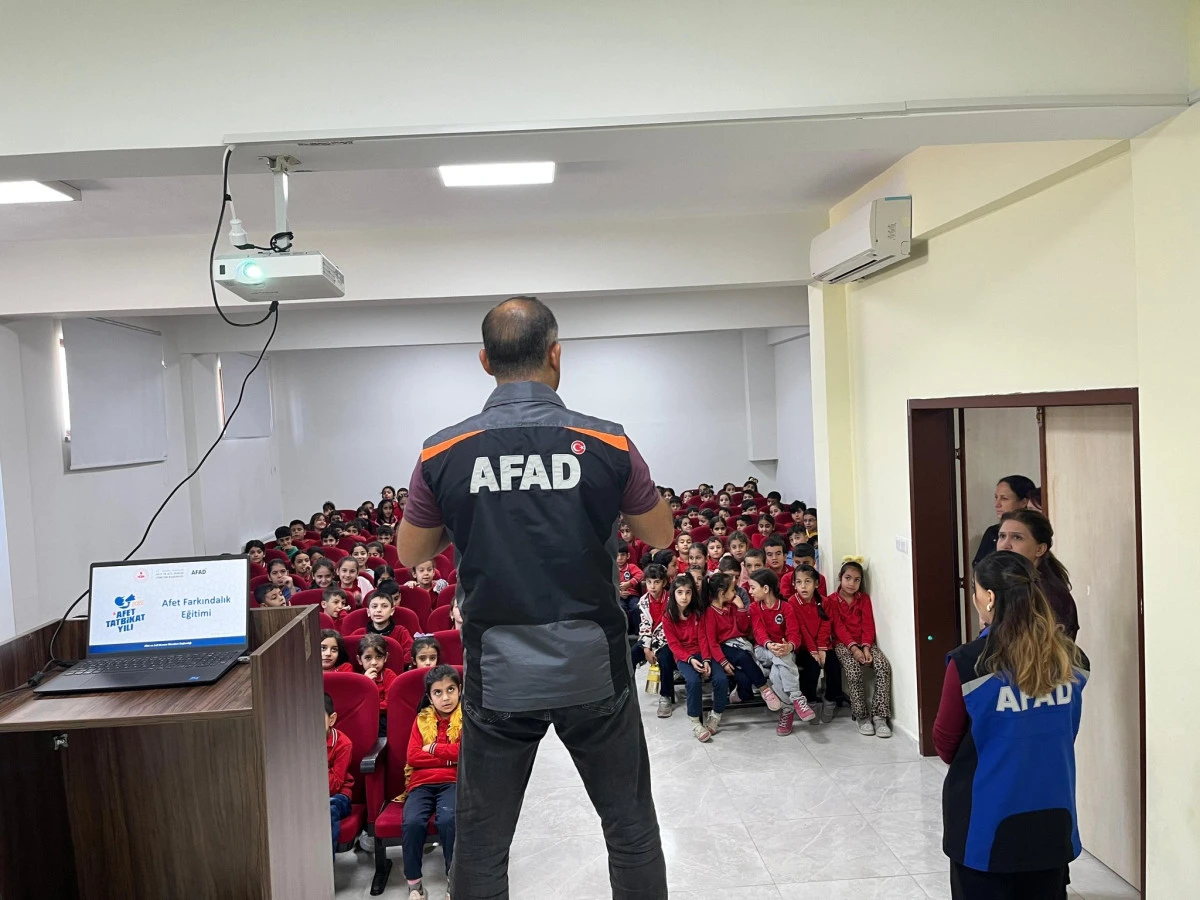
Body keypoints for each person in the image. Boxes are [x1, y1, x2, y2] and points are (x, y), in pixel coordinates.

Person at [396, 296, 671, 899]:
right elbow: (661, 534)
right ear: (555, 355)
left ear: (484, 362)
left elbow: (410, 551)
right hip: (593, 666)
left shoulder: (442, 452)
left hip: (500, 672)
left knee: (483, 841)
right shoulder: (609, 442)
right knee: (630, 829)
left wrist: (467, 513)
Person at [935, 551, 1088, 899]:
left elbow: (945, 746)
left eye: (975, 590)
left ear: (988, 597)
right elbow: (1067, 731)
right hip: (1052, 818)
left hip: (985, 824)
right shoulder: (1073, 661)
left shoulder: (968, 664)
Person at [401, 665, 462, 900]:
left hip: (453, 781)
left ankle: (453, 879)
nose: (445, 697)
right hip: (420, 783)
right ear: (429, 697)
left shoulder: (467, 717)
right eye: (438, 692)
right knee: (413, 822)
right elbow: (413, 756)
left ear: (460, 690)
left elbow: (465, 752)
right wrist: (449, 757)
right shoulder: (421, 720)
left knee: (448, 819)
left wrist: (434, 749)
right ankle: (414, 884)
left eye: (450, 690)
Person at [829, 559, 893, 737]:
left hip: (865, 642)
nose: (852, 583)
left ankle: (880, 716)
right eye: (848, 578)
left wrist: (865, 648)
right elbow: (838, 628)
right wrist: (854, 650)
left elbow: (868, 624)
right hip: (843, 644)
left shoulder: (863, 599)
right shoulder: (831, 601)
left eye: (857, 580)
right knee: (853, 669)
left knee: (883, 666)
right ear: (840, 578)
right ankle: (861, 716)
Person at [748, 568, 816, 735]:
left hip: (783, 652)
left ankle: (787, 711)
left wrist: (790, 646)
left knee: (776, 675)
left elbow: (794, 634)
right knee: (781, 655)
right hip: (763, 650)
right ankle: (797, 697)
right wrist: (770, 644)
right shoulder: (755, 608)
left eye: (752, 587)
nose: (750, 591)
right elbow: (758, 632)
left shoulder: (786, 608)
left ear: (765, 589)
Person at [662, 575, 728, 742]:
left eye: (688, 592)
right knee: (693, 681)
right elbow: (674, 645)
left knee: (720, 678)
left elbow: (703, 638)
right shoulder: (668, 617)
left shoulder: (698, 613)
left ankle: (716, 715)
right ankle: (695, 722)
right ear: (673, 594)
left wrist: (706, 660)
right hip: (684, 657)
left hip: (703, 652)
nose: (684, 597)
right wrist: (690, 659)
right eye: (680, 592)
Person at [996, 509, 1079, 640]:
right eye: (1002, 536)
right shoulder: (1015, 583)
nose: (1005, 545)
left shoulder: (1048, 594)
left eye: (1017, 537)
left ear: (1040, 549)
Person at [703, 570, 782, 710]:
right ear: (722, 593)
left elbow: (744, 629)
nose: (736, 593)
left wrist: (740, 609)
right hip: (722, 648)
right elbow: (712, 643)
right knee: (743, 656)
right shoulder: (710, 613)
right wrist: (723, 661)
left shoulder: (733, 607)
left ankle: (739, 694)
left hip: (739, 643)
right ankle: (765, 689)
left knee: (745, 680)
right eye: (733, 590)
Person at [791, 564, 842, 723]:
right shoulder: (792, 602)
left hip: (823, 646)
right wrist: (813, 651)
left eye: (807, 582)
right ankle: (810, 702)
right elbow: (801, 629)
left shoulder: (825, 602)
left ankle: (829, 701)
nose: (803, 586)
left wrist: (822, 648)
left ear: (816, 584)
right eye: (799, 582)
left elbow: (826, 625)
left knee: (833, 666)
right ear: (794, 584)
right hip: (804, 648)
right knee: (811, 669)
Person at [636, 563, 676, 716]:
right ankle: (626, 694)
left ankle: (665, 696)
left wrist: (655, 647)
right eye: (649, 582)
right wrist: (647, 648)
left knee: (665, 658)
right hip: (649, 639)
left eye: (657, 582)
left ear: (664, 583)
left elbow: (670, 627)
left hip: (667, 640)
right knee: (630, 655)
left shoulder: (671, 599)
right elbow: (644, 626)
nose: (652, 586)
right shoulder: (643, 601)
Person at [973, 475, 1037, 567]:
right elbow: (978, 565)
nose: (997, 504)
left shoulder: (1036, 531)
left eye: (1004, 498)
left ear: (1023, 502)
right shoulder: (992, 532)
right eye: (996, 497)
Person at [325, 693, 354, 855]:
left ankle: (326, 868)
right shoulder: (298, 741)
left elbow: (334, 785)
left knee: (327, 808)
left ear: (331, 719)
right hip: (307, 798)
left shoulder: (343, 744)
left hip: (339, 797)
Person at [358, 633, 397, 736]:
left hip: (383, 719)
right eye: (368, 658)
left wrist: (373, 707)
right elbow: (357, 705)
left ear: (386, 657)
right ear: (359, 660)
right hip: (364, 718)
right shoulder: (358, 679)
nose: (374, 662)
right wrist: (366, 683)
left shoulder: (388, 675)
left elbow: (390, 703)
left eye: (379, 657)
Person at [364, 592, 415, 659]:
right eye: (374, 606)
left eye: (384, 606)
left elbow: (410, 652)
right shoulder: (360, 633)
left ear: (392, 611)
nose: (379, 610)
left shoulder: (401, 632)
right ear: (368, 612)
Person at [616, 541, 644, 634]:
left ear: (628, 556)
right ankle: (625, 633)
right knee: (621, 607)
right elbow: (608, 583)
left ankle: (638, 632)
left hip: (632, 595)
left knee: (636, 607)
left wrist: (629, 583)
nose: (619, 558)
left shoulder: (631, 567)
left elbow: (641, 574)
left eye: (622, 555)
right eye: (617, 555)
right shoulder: (612, 568)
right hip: (618, 596)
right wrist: (619, 593)